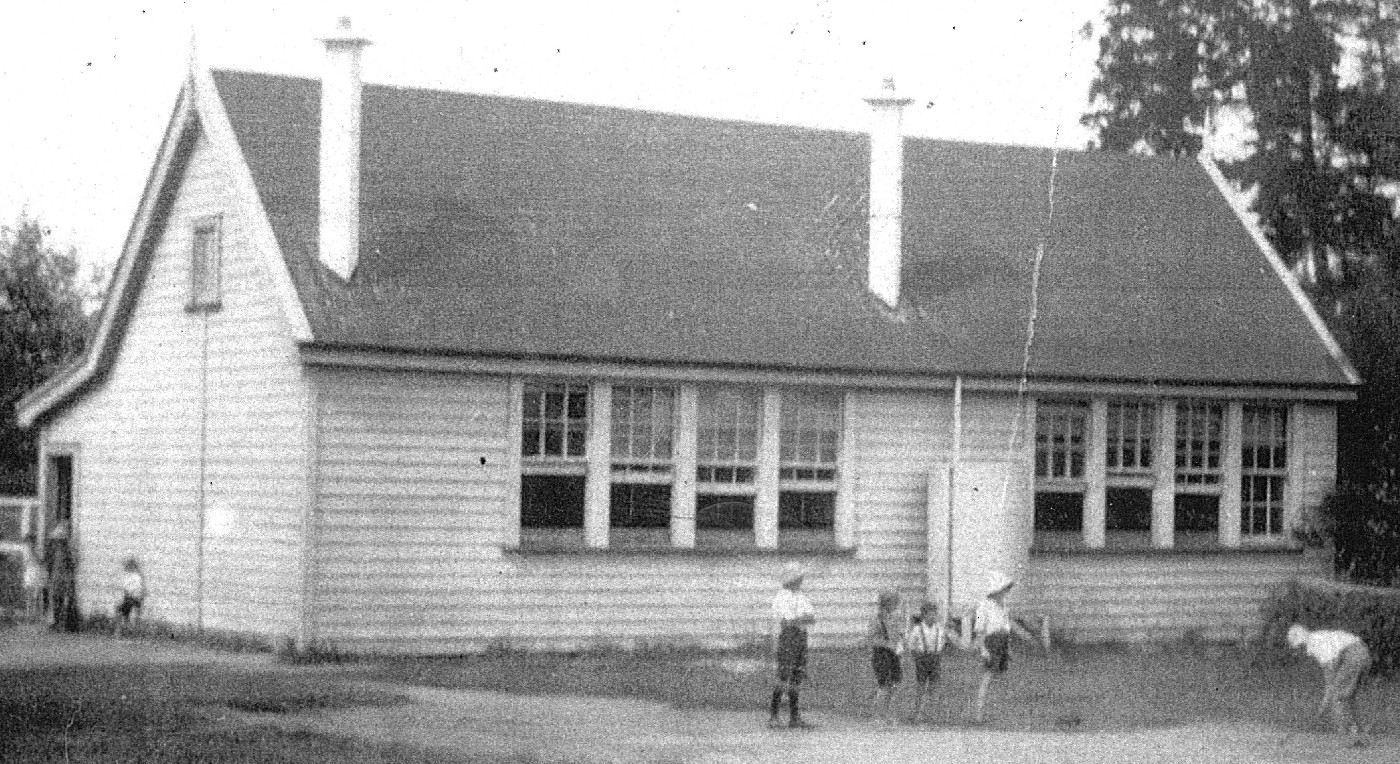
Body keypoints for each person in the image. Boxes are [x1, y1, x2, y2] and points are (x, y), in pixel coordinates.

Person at [969, 571, 1036, 723]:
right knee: (987, 677)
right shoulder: (983, 606)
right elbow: (980, 629)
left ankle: (995, 710)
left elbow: (1007, 625)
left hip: (1002, 641)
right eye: (1004, 589)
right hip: (991, 642)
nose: (1006, 592)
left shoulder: (1003, 606)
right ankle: (978, 714)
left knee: (999, 677)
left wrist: (1011, 644)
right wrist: (983, 648)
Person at [1286, 623, 1373, 737]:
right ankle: (1359, 729)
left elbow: (1330, 679)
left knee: (1338, 695)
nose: (1300, 651)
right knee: (1347, 695)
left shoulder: (1315, 644)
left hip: (1353, 655)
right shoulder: (1318, 637)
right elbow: (1331, 678)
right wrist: (1326, 700)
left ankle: (1345, 732)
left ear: (1301, 642)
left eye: (1298, 647)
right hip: (1363, 653)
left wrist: (1324, 704)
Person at [769, 563, 816, 729]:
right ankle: (774, 715)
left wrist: (800, 620)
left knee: (798, 674)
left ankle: (794, 717)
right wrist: (799, 619)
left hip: (801, 637)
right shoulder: (781, 597)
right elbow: (788, 621)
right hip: (788, 638)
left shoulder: (801, 596)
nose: (801, 579)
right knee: (783, 675)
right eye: (798, 576)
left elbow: (811, 618)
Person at [905, 600, 959, 724]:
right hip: (922, 658)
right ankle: (918, 713)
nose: (933, 617)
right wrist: (916, 656)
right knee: (921, 686)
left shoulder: (940, 629)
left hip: (935, 658)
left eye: (935, 614)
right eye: (930, 614)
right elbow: (911, 645)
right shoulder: (918, 629)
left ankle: (931, 713)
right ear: (923, 615)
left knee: (934, 686)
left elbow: (948, 640)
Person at [867, 591, 903, 725]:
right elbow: (872, 639)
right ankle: (878, 716)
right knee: (884, 684)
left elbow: (899, 635)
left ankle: (888, 714)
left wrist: (899, 645)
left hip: (894, 654)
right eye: (893, 602)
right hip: (881, 653)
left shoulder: (896, 618)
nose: (895, 605)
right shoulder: (876, 619)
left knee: (894, 684)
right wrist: (888, 644)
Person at [44, 521, 76, 632]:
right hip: (56, 576)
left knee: (61, 599)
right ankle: (56, 622)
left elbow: (70, 565)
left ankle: (61, 623)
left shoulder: (66, 551)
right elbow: (50, 563)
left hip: (62, 577)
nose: (57, 542)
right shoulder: (55, 550)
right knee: (56, 599)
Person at [115, 557, 146, 636]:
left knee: (121, 610)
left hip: (135, 598)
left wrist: (131, 595)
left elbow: (137, 589)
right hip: (130, 598)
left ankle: (121, 630)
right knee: (121, 610)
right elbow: (125, 588)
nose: (127, 567)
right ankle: (124, 629)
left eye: (129, 565)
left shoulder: (136, 576)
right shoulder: (129, 576)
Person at [21, 537, 47, 624]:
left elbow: (41, 562)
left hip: (37, 573)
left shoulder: (38, 550)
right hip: (29, 573)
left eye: (30, 543)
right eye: (27, 543)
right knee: (29, 596)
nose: (28, 545)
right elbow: (26, 563)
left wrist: (33, 553)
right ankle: (29, 615)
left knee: (37, 596)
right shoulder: (26, 551)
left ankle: (38, 616)